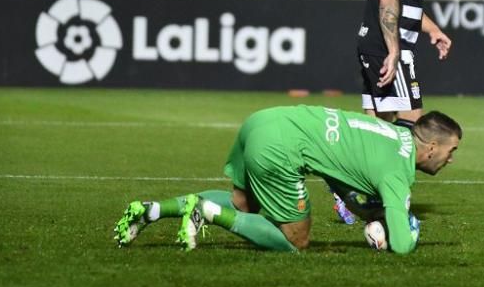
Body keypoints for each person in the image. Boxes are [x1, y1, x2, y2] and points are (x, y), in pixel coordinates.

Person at [112, 106, 462, 254]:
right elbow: (401, 245)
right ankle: (207, 211)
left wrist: (366, 211)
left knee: (242, 203)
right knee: (295, 240)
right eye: (451, 151)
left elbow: (341, 176)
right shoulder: (398, 171)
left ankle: (154, 210)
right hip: (281, 147)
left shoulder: (388, 133)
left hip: (262, 121)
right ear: (430, 148)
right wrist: (410, 228)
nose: (451, 159)